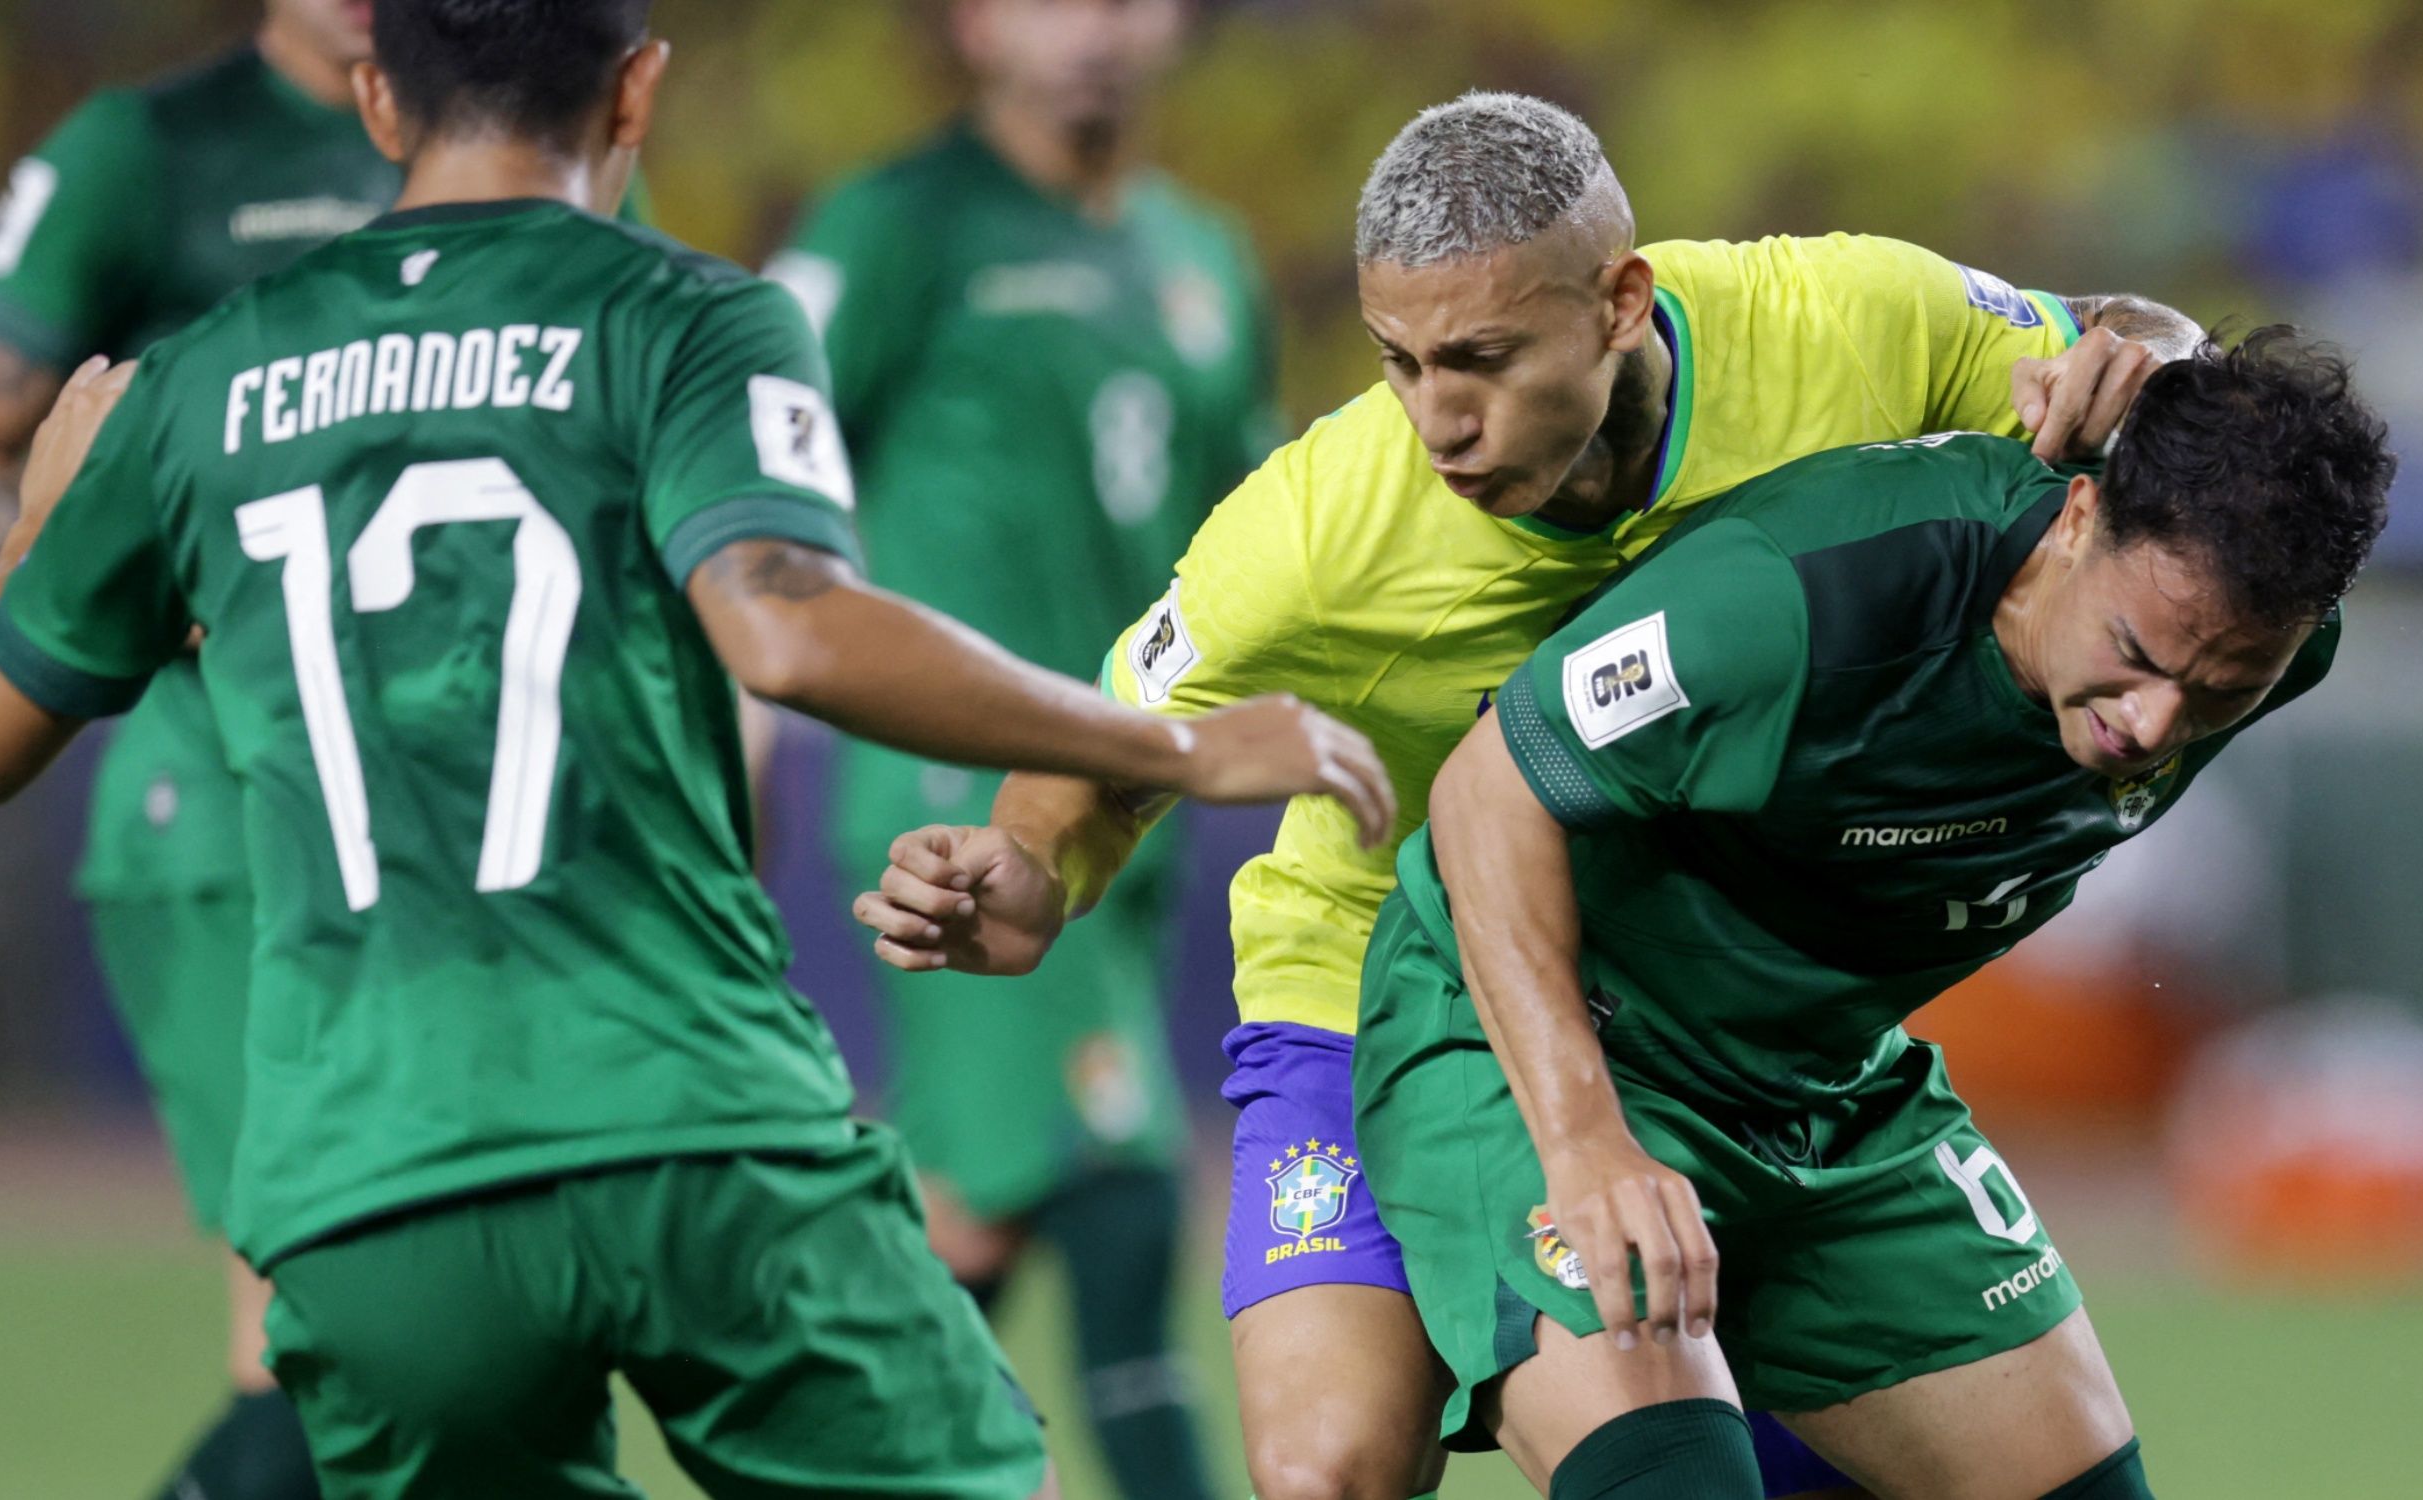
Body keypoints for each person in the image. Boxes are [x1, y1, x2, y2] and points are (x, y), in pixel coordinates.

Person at [0, 3, 1390, 1497]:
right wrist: (1169, 748)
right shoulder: (690, 315)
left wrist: (35, 532)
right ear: (637, 93)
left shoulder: (203, 381)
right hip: (690, 1126)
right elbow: (795, 633)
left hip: (372, 1180)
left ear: (374, 100)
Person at [856, 91, 2193, 1500]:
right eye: (1401, 362)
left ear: (1622, 301)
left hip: (1703, 998)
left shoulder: (1847, 323)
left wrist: (2150, 360)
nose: (1440, 419)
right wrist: (1025, 869)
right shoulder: (1323, 529)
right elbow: (1107, 738)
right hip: (1378, 981)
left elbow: (2137, 342)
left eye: (1484, 359)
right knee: (1329, 1467)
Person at [1352, 329, 2395, 1499]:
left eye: (2219, 690)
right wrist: (1587, 1142)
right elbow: (1489, 795)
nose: (2155, 724)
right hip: (1559, 1049)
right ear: (2077, 516)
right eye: (2136, 654)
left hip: (1823, 1084)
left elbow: (2195, 392)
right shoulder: (1802, 591)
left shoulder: (2269, 640)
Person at [0, 6, 627, 1493]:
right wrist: (155, 572)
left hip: (475, 838)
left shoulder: (538, 120)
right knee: (321, 1319)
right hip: (216, 809)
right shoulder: (144, 150)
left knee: (459, 1319)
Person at [764, 3, 1270, 1493]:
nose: (1096, 31)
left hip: (1124, 799)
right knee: (1115, 1185)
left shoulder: (1205, 261)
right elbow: (738, 445)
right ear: (974, 24)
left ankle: (822, 1454)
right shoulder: (896, 226)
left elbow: (1250, 538)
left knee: (973, 1211)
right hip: (951, 796)